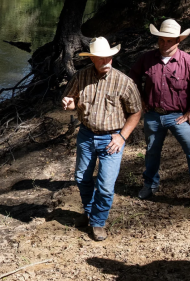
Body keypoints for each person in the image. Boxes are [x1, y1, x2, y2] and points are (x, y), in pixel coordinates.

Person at [62, 37, 143, 241]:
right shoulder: (80, 77)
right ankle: (90, 212)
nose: (105, 61)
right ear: (92, 59)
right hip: (86, 135)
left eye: (109, 57)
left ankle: (98, 222)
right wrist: (68, 104)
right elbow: (71, 104)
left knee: (106, 185)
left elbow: (136, 112)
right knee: (82, 178)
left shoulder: (124, 82)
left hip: (111, 138)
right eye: (100, 58)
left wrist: (122, 137)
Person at [129, 19, 190, 208]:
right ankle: (150, 184)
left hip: (179, 116)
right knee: (152, 152)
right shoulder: (146, 58)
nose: (165, 44)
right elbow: (132, 77)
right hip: (153, 114)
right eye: (162, 40)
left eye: (170, 40)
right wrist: (140, 99)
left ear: (178, 41)